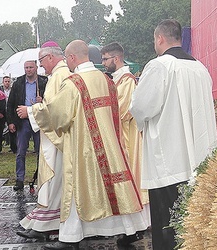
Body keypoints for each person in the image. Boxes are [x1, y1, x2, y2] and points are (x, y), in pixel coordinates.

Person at [18, 40, 150, 250]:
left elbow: (58, 116)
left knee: (75, 190)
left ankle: (70, 238)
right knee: (115, 190)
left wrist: (34, 111)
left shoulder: (74, 83)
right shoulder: (106, 80)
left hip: (84, 149)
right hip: (110, 147)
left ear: (71, 58)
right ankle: (130, 230)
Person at [130, 19, 217, 250]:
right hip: (199, 159)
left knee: (168, 226)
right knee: (193, 223)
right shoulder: (200, 68)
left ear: (160, 38)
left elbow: (140, 107)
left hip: (169, 161)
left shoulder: (160, 66)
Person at [16, 41, 71, 239]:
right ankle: (46, 221)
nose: (40, 66)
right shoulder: (61, 74)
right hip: (56, 137)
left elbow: (55, 111)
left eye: (41, 61)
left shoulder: (58, 76)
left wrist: (29, 110)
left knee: (54, 181)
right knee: (55, 183)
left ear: (50, 57)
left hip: (56, 140)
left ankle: (47, 224)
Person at [100, 42, 151, 245]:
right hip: (120, 136)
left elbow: (121, 110)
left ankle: (137, 227)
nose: (103, 63)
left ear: (116, 58)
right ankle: (128, 226)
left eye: (105, 59)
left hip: (127, 138)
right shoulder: (116, 79)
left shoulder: (127, 80)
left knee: (131, 181)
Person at [7, 60, 47, 191]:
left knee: (40, 150)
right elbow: (11, 103)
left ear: (36, 68)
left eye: (30, 67)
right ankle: (20, 179)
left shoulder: (44, 82)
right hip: (22, 120)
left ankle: (41, 177)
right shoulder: (18, 83)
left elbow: (52, 101)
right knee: (21, 151)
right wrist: (11, 121)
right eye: (26, 68)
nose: (28, 70)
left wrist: (43, 100)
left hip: (39, 119)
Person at [0, 76, 16, 153]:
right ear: (3, 82)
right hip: (2, 112)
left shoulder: (13, 90)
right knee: (0, 130)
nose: (7, 83)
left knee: (12, 129)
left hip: (11, 112)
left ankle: (13, 147)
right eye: (6, 81)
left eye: (8, 81)